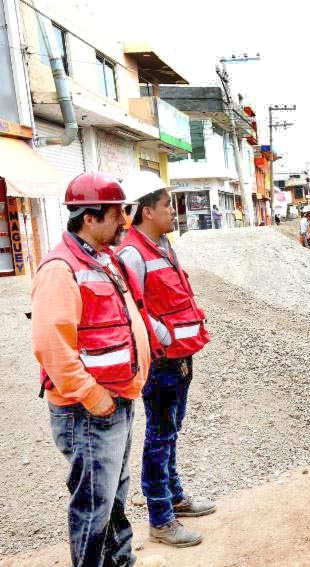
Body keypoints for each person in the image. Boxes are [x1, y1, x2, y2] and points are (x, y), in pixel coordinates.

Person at [31, 172, 166, 567]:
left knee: (113, 497)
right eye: (115, 214)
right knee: (93, 504)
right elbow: (50, 347)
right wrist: (95, 397)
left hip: (115, 401)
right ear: (89, 218)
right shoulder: (61, 269)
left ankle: (119, 562)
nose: (125, 222)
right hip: (89, 410)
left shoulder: (102, 259)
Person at [118, 171, 215, 548]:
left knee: (170, 431)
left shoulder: (163, 245)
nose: (172, 212)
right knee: (159, 437)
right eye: (165, 206)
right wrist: (164, 339)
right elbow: (134, 309)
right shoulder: (132, 253)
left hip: (180, 356)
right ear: (145, 211)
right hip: (161, 362)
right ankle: (160, 519)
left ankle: (175, 497)